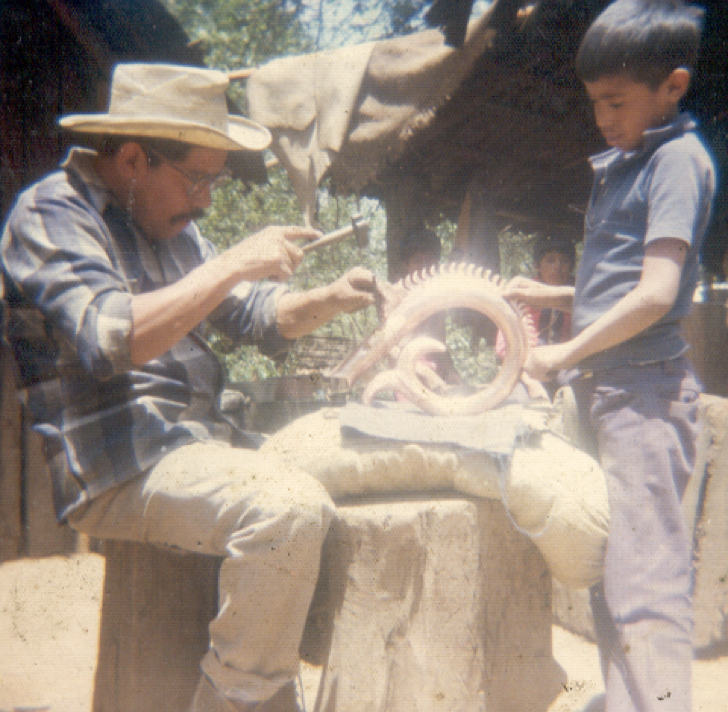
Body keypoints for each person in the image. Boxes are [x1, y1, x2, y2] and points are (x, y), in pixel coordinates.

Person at [1, 63, 379, 712]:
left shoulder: (169, 221)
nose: (206, 198)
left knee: (366, 457)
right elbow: (107, 337)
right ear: (129, 160)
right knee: (285, 509)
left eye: (214, 179)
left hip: (195, 444)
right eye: (197, 177)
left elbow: (254, 314)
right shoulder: (49, 214)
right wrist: (234, 261)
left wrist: (330, 299)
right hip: (118, 465)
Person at [504, 2, 715, 711]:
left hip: (645, 398)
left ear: (673, 87)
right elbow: (616, 285)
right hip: (608, 393)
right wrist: (551, 293)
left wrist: (563, 348)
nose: (602, 117)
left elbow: (656, 294)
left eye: (615, 102)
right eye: (595, 102)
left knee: (646, 589)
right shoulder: (628, 162)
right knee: (609, 572)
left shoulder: (679, 163)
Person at [497, 234, 576, 400]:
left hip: (564, 369)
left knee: (575, 394)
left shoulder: (578, 296)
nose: (557, 266)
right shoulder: (519, 294)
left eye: (564, 261)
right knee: (518, 399)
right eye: (550, 260)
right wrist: (530, 382)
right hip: (524, 371)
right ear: (537, 266)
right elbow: (505, 349)